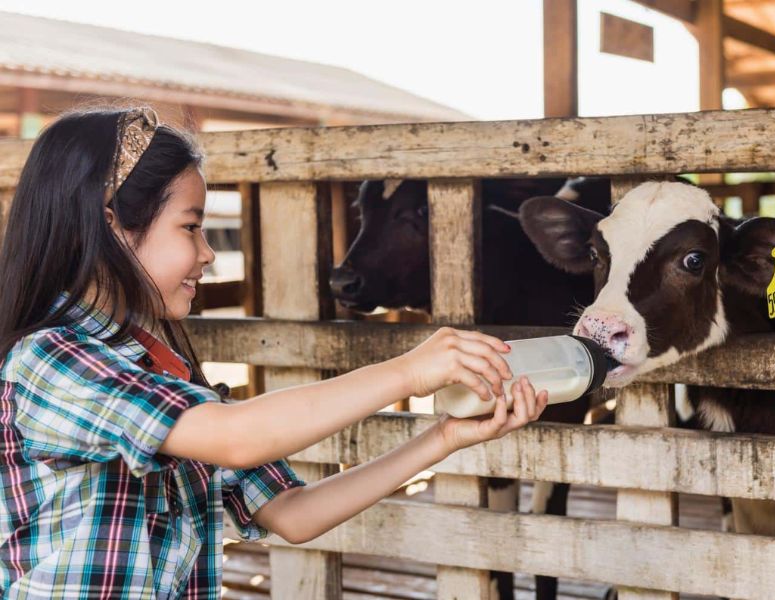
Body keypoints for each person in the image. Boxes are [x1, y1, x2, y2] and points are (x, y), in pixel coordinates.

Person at [0, 107, 548, 598]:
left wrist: (443, 438)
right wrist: (408, 371)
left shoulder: (164, 372)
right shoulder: (50, 361)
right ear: (111, 226)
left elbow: (294, 514)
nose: (209, 253)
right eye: (191, 227)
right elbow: (236, 438)